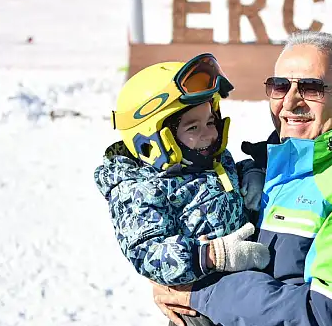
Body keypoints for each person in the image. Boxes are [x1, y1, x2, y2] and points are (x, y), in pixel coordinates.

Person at [152, 31, 332, 326]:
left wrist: (200, 293)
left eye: (312, 88)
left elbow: (327, 317)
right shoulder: (267, 168)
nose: (290, 101)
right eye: (280, 86)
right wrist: (179, 271)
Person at [94, 54, 270, 326]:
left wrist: (251, 173)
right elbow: (147, 252)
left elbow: (230, 172)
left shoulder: (208, 158)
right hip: (196, 310)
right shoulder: (138, 190)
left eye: (210, 122)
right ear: (152, 138)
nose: (208, 134)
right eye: (193, 127)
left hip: (242, 294)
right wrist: (213, 255)